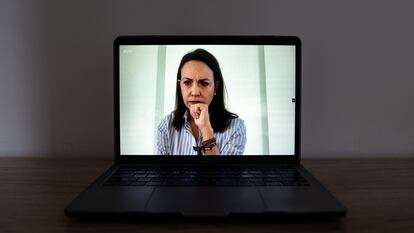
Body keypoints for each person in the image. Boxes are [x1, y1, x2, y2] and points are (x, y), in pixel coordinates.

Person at [157, 48, 246, 155]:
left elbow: (221, 172)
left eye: (204, 83)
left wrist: (206, 129)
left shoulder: (236, 128)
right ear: (180, 86)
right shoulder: (166, 127)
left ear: (216, 88)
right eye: (187, 83)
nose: (194, 92)